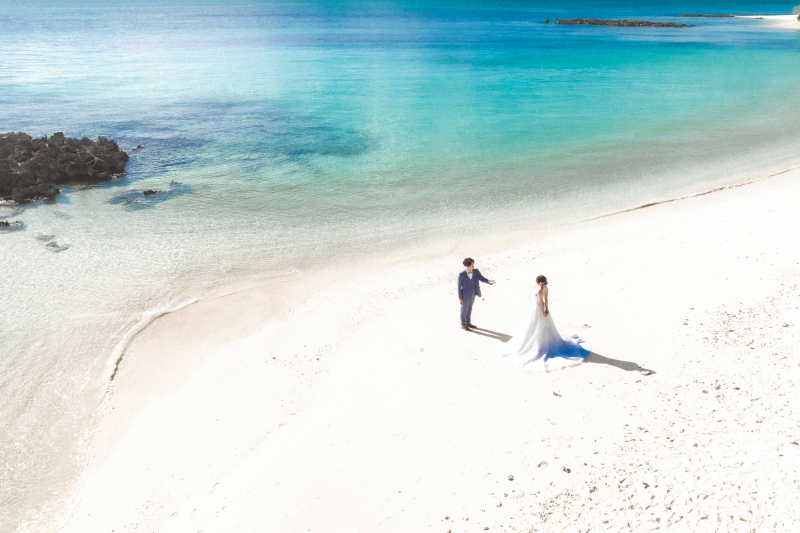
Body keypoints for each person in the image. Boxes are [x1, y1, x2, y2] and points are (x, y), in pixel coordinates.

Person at [501, 275, 590, 371]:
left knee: (535, 327)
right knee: (541, 327)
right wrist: (547, 310)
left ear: (538, 282)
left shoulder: (539, 291)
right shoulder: (546, 288)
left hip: (537, 310)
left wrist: (543, 311)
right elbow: (546, 300)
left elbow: (542, 302)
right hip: (541, 309)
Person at [457, 258, 495, 331]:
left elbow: (482, 278)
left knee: (470, 309)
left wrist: (489, 281)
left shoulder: (476, 271)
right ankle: (463, 324)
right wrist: (460, 298)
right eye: (472, 264)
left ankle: (468, 323)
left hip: (473, 294)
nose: (473, 265)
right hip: (465, 296)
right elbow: (459, 287)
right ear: (467, 266)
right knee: (464, 310)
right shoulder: (461, 275)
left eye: (473, 264)